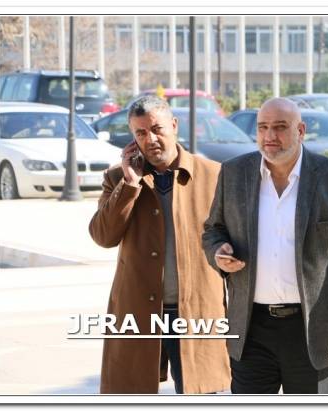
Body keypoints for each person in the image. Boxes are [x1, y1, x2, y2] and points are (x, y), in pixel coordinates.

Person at [202, 98, 328, 394]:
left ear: (301, 130)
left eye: (280, 127)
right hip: (250, 331)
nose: (270, 136)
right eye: (263, 127)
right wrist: (218, 251)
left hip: (315, 333)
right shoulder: (234, 173)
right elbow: (213, 230)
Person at [88, 95, 230, 394]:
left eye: (156, 129)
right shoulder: (118, 178)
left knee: (200, 393)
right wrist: (130, 184)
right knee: (133, 393)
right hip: (138, 311)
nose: (150, 139)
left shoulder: (214, 175)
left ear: (174, 125)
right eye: (140, 133)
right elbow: (103, 236)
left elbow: (234, 236)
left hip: (197, 311)